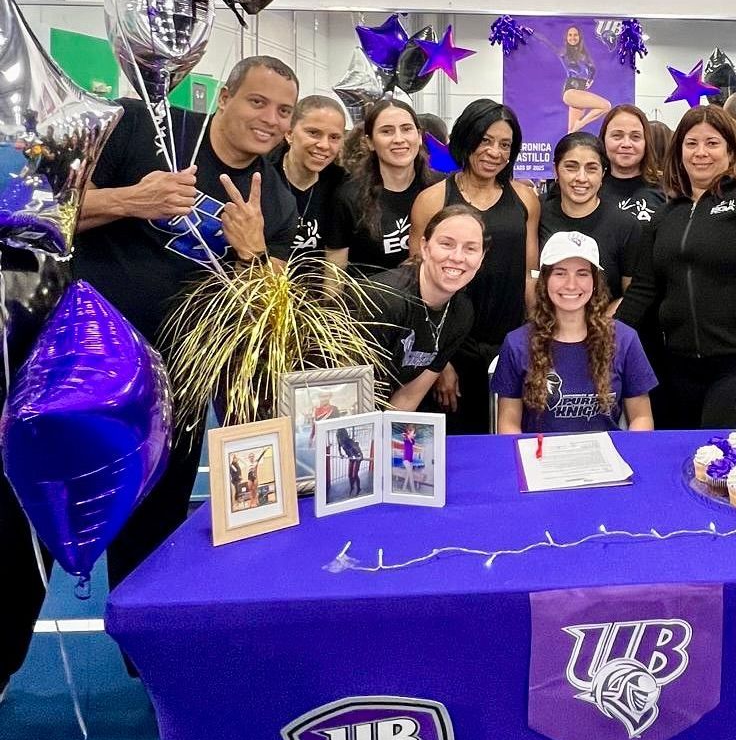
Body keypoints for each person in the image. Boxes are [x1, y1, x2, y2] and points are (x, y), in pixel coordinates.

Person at [0, 56, 300, 696]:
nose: (270, 121)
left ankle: (151, 671)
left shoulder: (273, 194)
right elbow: (30, 205)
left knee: (155, 533)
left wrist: (252, 252)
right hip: (79, 372)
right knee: (34, 526)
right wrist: (129, 200)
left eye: (283, 112)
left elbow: (269, 306)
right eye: (258, 103)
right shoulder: (145, 127)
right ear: (224, 97)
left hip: (179, 383)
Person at [616, 105, 736, 429]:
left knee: (724, 471)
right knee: (679, 468)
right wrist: (603, 345)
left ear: (731, 149)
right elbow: (643, 291)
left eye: (712, 143)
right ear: (679, 152)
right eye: (691, 144)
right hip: (675, 370)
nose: (700, 153)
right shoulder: (666, 215)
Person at [409, 100, 540, 433]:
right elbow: (417, 285)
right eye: (485, 140)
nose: (494, 152)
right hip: (454, 346)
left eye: (505, 144)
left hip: (510, 343)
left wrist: (539, 341)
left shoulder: (525, 199)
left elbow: (529, 276)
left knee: (510, 439)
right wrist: (439, 363)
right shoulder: (433, 199)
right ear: (467, 138)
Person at [494, 232, 656, 434]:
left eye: (582, 273)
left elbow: (641, 417)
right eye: (560, 273)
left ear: (595, 281)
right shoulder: (517, 343)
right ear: (545, 280)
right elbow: (508, 424)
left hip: (607, 460)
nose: (571, 284)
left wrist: (629, 456)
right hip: (541, 460)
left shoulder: (625, 339)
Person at [368, 205, 485, 413]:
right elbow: (344, 392)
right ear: (424, 247)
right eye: (446, 244)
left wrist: (390, 438)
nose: (458, 257)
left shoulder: (461, 313)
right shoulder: (384, 299)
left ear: (482, 257)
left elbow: (409, 395)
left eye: (470, 248)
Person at [325, 98, 430, 276]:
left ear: (418, 136)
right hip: (368, 301)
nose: (399, 139)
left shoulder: (438, 188)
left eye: (406, 129)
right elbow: (335, 275)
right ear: (370, 142)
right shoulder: (348, 196)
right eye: (387, 131)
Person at [538, 134, 639, 300]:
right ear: (555, 170)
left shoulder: (626, 225)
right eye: (571, 167)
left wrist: (603, 322)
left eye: (591, 169)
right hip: (546, 323)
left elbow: (632, 294)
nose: (581, 178)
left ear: (603, 174)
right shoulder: (537, 215)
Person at [276, 95, 347, 261]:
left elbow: (336, 260)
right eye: (314, 133)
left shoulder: (340, 184)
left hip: (316, 284)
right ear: (289, 133)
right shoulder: (264, 177)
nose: (324, 145)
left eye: (334, 137)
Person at [599, 103, 666, 226]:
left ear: (646, 142)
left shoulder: (667, 190)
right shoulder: (591, 189)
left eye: (635, 137)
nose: (626, 144)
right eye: (617, 136)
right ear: (603, 139)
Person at [560, 25, 611, 133]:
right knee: (606, 106)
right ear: (566, 37)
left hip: (580, 91)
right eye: (570, 35)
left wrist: (590, 79)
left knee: (572, 132)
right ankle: (580, 124)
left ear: (579, 37)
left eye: (575, 35)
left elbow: (592, 69)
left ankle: (568, 145)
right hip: (571, 92)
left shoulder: (584, 55)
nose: (572, 37)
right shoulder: (564, 54)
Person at [336, 424, 364, 497]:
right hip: (351, 458)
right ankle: (352, 487)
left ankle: (358, 488)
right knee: (349, 475)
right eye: (337, 436)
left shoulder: (349, 441)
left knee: (354, 475)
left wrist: (361, 456)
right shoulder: (340, 441)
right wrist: (340, 454)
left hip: (357, 457)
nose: (338, 438)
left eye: (339, 436)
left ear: (343, 435)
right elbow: (339, 448)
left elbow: (357, 448)